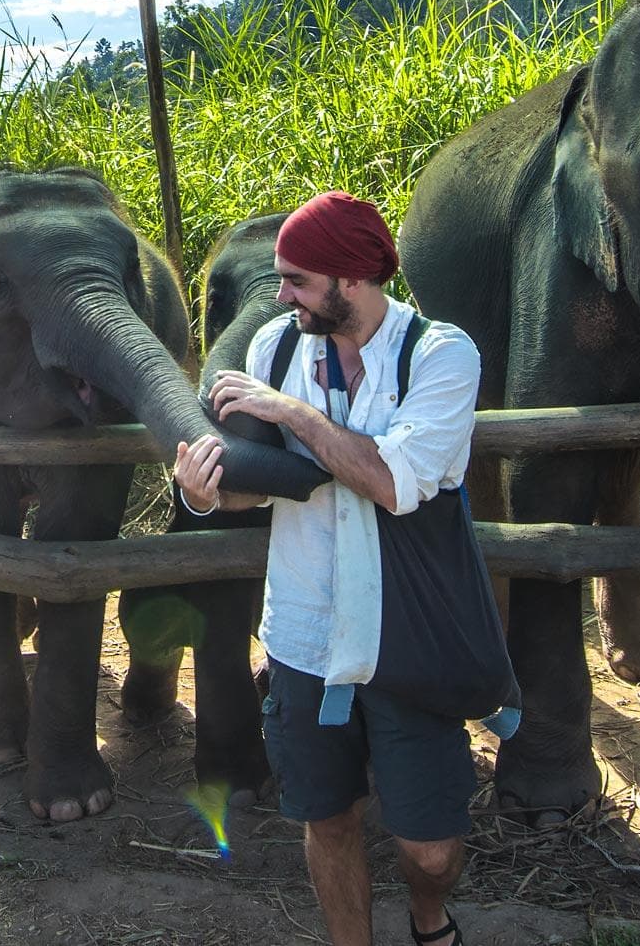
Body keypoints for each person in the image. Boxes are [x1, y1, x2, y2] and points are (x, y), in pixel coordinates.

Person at [174, 191, 481, 946]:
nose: (281, 296)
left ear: (352, 278)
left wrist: (292, 412)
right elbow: (261, 485)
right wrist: (204, 492)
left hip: (409, 636)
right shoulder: (277, 346)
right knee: (328, 817)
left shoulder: (440, 355)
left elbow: (391, 482)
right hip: (303, 635)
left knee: (431, 846)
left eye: (298, 281)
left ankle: (429, 917)